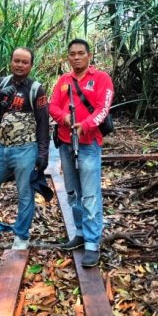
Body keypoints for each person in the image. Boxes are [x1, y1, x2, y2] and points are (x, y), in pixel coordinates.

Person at [0, 47, 51, 250]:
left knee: (25, 194)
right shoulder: (2, 82)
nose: (20, 65)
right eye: (17, 61)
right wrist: (0, 93)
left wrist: (43, 154)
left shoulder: (36, 89)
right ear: (11, 62)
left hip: (26, 149)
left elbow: (43, 122)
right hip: (1, 148)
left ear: (31, 65)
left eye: (25, 62)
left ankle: (21, 237)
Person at [49, 39, 114, 267]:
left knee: (90, 194)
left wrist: (84, 125)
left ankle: (92, 244)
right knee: (72, 192)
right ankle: (79, 234)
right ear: (68, 57)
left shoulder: (101, 79)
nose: (76, 58)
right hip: (65, 143)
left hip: (88, 144)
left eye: (80, 53)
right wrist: (64, 118)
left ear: (89, 55)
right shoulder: (63, 81)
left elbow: (102, 109)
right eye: (72, 54)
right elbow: (53, 105)